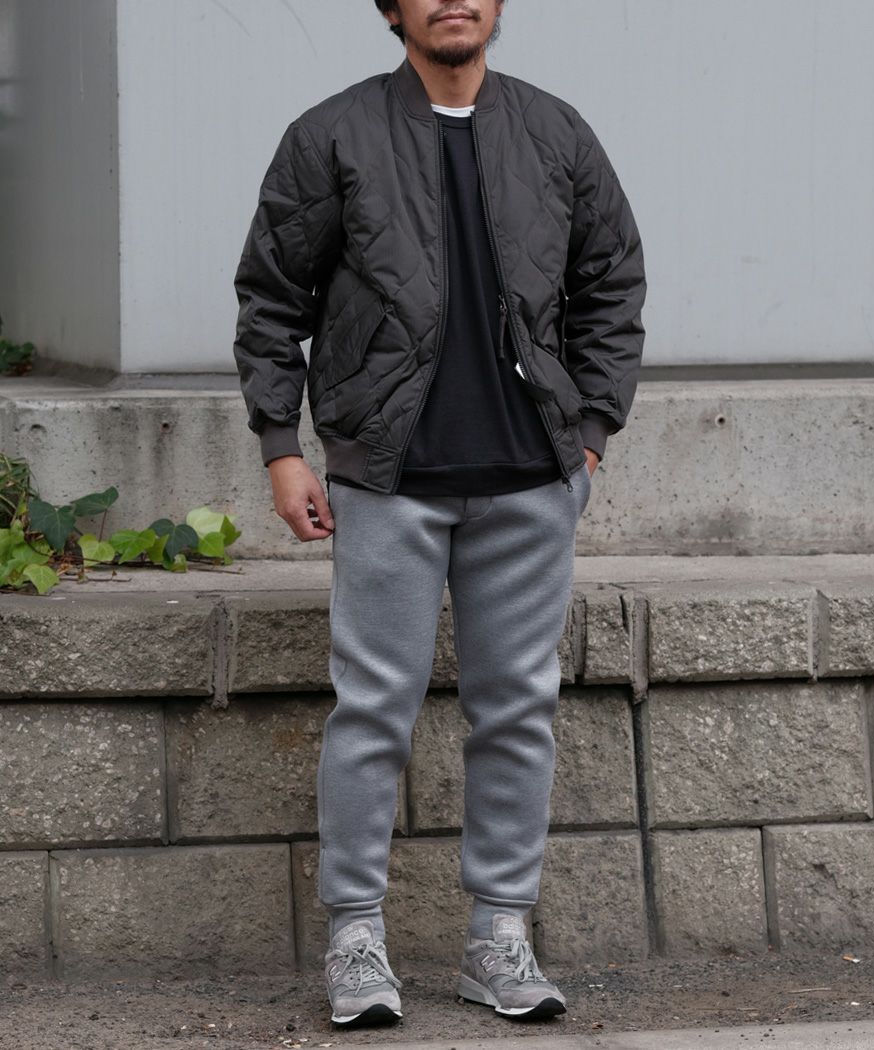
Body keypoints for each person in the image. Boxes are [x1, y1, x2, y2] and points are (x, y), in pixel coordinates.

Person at [232, 0, 646, 1029]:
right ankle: (355, 938)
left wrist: (591, 431)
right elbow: (272, 300)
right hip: (387, 480)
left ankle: (499, 936)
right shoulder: (332, 134)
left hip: (531, 478)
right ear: (391, 8)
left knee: (518, 709)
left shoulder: (554, 132)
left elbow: (611, 282)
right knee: (374, 709)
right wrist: (282, 449)